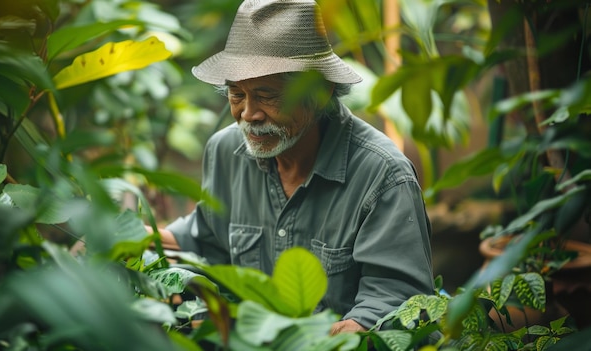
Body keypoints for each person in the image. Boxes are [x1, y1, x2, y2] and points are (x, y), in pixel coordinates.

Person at [150, 0, 434, 334]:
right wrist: (133, 241)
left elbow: (397, 301)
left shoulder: (383, 175)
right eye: (236, 94)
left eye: (267, 95)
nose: (248, 114)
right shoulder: (226, 150)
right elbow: (208, 237)